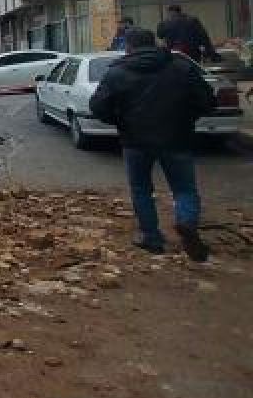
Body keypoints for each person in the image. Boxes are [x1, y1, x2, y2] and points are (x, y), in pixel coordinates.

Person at [90, 28, 214, 261]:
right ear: (155, 43)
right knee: (184, 189)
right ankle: (187, 222)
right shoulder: (180, 67)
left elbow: (98, 107)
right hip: (177, 137)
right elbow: (207, 100)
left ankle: (151, 238)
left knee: (141, 190)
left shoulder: (118, 72)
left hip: (135, 141)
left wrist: (120, 122)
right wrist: (187, 118)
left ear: (128, 47)